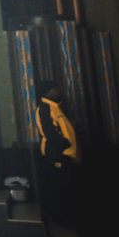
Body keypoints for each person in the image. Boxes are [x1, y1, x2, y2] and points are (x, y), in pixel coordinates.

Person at [35, 79, 80, 227]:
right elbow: (50, 132)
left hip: (64, 154)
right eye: (55, 90)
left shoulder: (56, 107)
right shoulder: (45, 108)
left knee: (64, 187)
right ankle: (59, 220)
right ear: (47, 92)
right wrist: (64, 144)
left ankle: (64, 218)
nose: (57, 92)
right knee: (58, 188)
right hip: (56, 154)